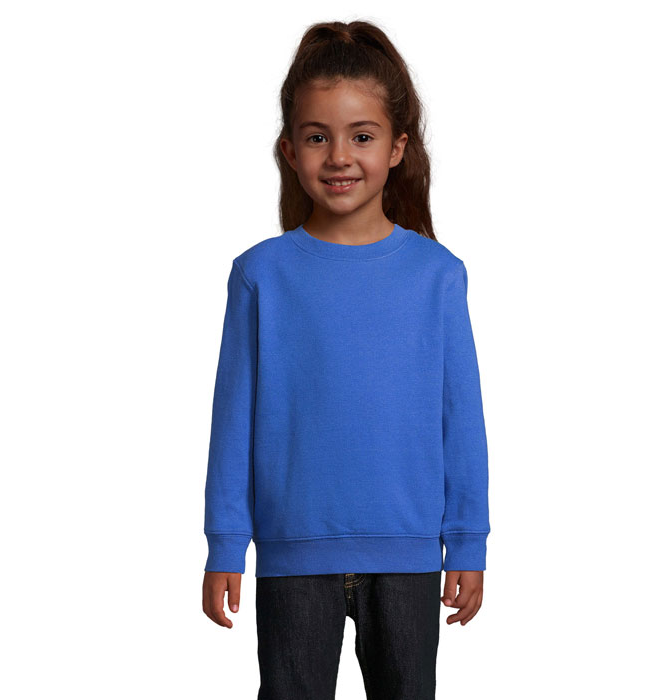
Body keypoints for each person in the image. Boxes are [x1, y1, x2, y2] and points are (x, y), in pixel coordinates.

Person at [201, 19, 491, 700]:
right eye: (316, 137)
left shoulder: (437, 275)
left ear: (397, 147)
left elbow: (461, 419)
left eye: (361, 136)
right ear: (289, 148)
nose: (339, 156)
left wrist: (467, 540)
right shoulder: (260, 275)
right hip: (292, 554)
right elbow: (233, 420)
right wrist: (225, 543)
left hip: (409, 554)